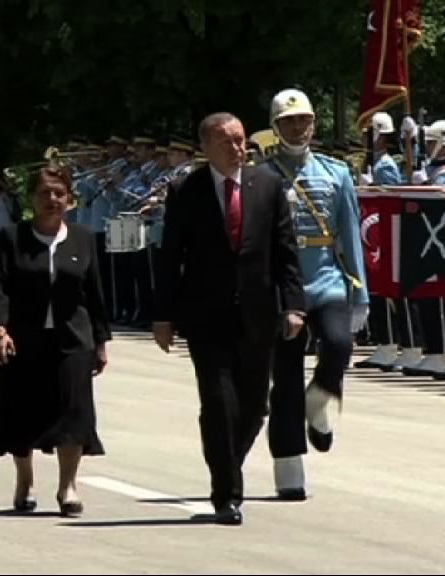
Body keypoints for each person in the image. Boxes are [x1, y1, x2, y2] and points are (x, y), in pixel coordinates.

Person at [153, 112, 305, 525]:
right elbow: (171, 256)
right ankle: (226, 494)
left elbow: (285, 251)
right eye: (228, 142)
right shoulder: (186, 190)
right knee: (219, 403)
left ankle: (227, 463)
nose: (238, 149)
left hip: (258, 313)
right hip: (205, 315)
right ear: (206, 147)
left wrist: (294, 305)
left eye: (241, 141)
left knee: (255, 406)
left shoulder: (268, 186)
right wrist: (162, 315)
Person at [0, 163, 111, 517]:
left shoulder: (83, 238)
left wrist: (101, 341)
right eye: (44, 193)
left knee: (74, 413)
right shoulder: (12, 238)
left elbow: (94, 294)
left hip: (73, 339)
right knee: (21, 411)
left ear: (70, 199)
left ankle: (67, 486)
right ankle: (24, 480)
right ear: (31, 199)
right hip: (24, 338)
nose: (52, 200)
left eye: (59, 193)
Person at [263, 89, 368, 500]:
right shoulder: (264, 175)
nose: (298, 128)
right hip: (282, 283)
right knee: (285, 378)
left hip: (326, 278)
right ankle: (288, 466)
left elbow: (351, 233)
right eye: (289, 122)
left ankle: (319, 401)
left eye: (304, 120)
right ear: (276, 128)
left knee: (339, 345)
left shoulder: (336, 173)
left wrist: (361, 293)